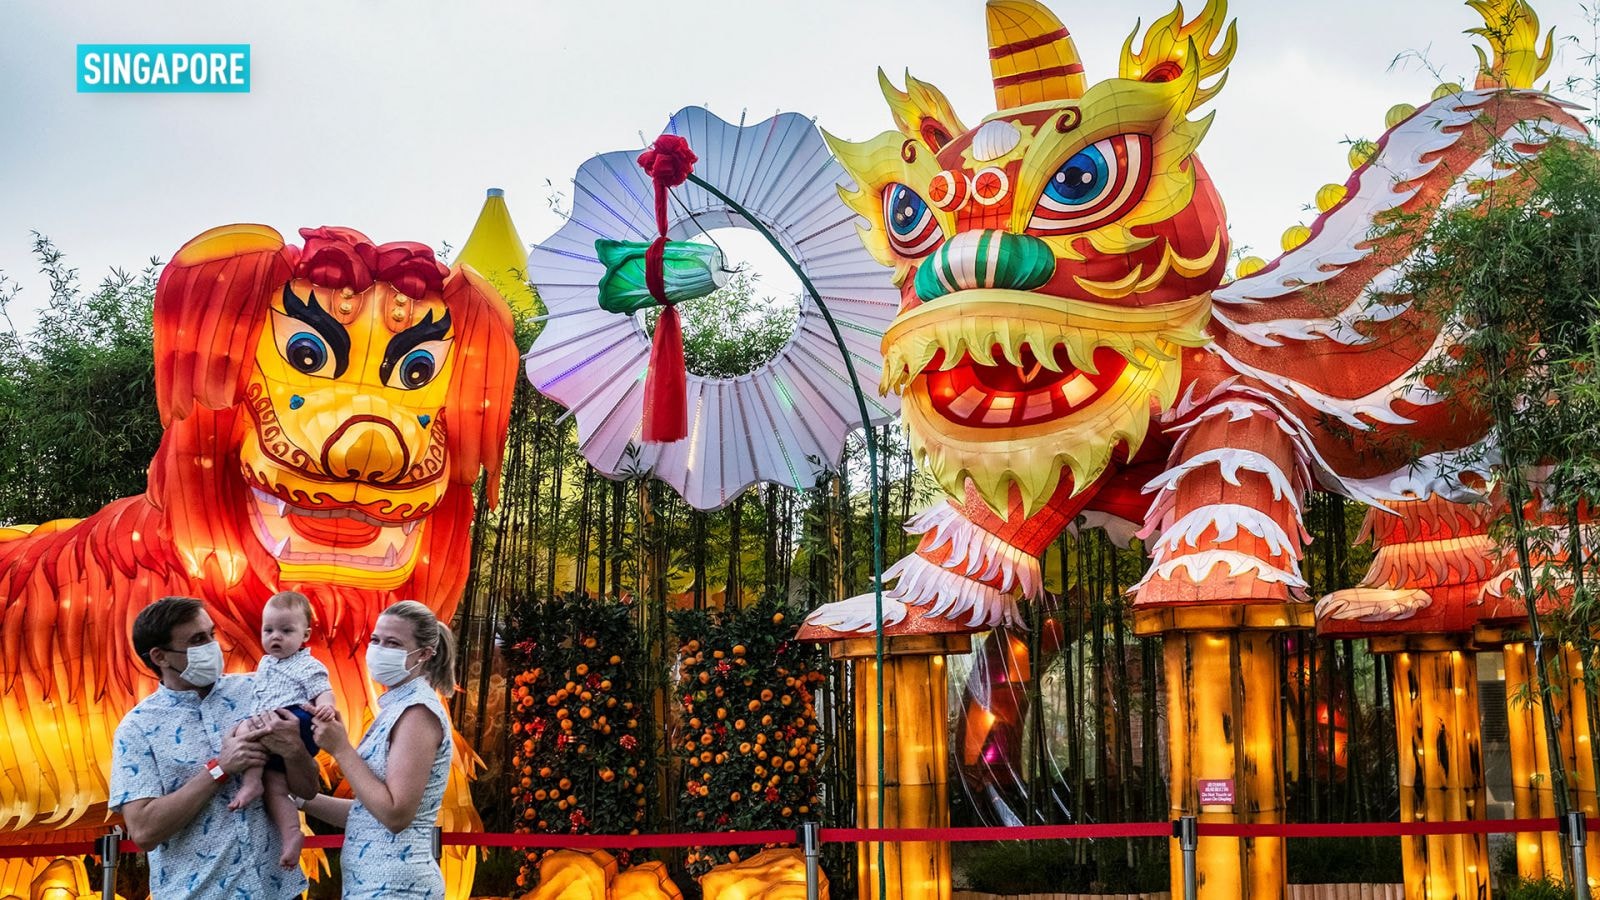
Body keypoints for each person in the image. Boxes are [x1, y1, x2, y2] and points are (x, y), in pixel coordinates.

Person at [109, 595, 321, 899]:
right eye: (197, 640)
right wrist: (220, 768)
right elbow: (143, 832)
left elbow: (307, 789)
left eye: (211, 634)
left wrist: (294, 750)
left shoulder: (259, 690)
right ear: (160, 657)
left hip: (277, 890)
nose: (212, 646)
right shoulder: (137, 729)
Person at [303, 600, 456, 898]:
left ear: (424, 654)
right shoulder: (396, 707)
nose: (379, 649)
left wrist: (341, 748)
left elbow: (396, 814)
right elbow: (367, 813)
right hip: (373, 885)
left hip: (398, 887)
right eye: (376, 640)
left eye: (393, 643)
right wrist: (300, 799)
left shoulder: (417, 713)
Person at [228, 590, 336, 867]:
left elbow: (323, 689)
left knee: (241, 730)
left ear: (305, 635)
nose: (275, 636)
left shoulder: (307, 664)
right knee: (275, 786)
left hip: (294, 719)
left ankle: (251, 782)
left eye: (286, 630)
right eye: (269, 630)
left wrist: (325, 706)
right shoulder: (266, 662)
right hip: (273, 721)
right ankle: (291, 834)